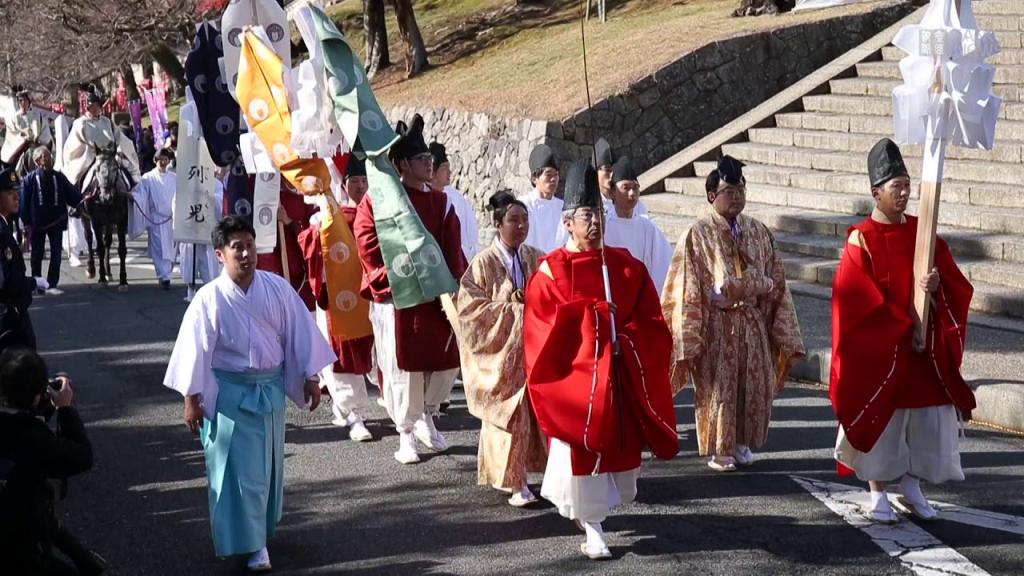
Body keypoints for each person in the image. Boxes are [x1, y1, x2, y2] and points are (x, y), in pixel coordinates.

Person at [524, 161, 678, 559]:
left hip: (620, 376)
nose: (595, 224)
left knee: (619, 466)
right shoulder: (551, 274)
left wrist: (626, 338)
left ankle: (597, 516)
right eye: (586, 216)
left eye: (598, 215)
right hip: (579, 385)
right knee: (583, 463)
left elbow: (652, 323)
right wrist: (592, 321)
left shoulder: (625, 266)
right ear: (568, 222)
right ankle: (593, 527)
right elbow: (543, 335)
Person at [163, 216, 335, 571]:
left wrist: (310, 376)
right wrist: (191, 400)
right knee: (236, 473)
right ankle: (253, 545)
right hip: (228, 396)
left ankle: (258, 535)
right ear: (220, 254)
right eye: (237, 247)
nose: (246, 254)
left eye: (250, 245)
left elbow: (299, 334)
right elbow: (195, 351)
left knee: (264, 472)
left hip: (268, 391)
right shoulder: (208, 299)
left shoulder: (276, 288)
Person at [830, 138, 975, 523]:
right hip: (885, 349)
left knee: (922, 417)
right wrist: (900, 327)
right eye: (897, 187)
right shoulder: (861, 239)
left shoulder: (923, 231)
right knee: (885, 418)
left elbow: (955, 284)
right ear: (875, 192)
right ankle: (877, 489)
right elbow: (856, 300)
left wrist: (937, 286)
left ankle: (911, 484)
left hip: (922, 350)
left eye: (908, 185)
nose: (905, 193)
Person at [661, 156, 804, 472]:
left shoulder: (758, 230)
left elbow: (775, 278)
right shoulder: (697, 233)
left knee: (751, 385)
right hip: (717, 323)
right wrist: (694, 328)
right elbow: (686, 284)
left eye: (740, 189)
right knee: (720, 387)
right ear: (712, 195)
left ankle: (742, 442)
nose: (736, 196)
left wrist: (757, 293)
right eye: (728, 190)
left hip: (751, 321)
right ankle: (719, 447)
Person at [354, 115, 466, 464]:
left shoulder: (441, 201)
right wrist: (399, 276)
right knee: (404, 366)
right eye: (421, 160)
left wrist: (450, 283)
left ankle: (428, 416)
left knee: (444, 359)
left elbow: (452, 246)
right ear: (402, 164)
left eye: (430, 159)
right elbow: (367, 242)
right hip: (398, 296)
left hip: (435, 296)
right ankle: (405, 432)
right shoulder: (378, 201)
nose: (428, 163)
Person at [457, 190, 547, 507]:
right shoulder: (482, 264)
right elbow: (469, 311)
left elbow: (553, 292)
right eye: (513, 220)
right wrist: (512, 308)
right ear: (498, 224)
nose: (521, 225)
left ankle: (527, 474)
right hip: (501, 355)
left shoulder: (536, 257)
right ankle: (515, 482)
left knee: (535, 416)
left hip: (533, 349)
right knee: (509, 416)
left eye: (525, 219)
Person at [0, 349, 102, 576]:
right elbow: (81, 456)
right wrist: (65, 408)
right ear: (37, 397)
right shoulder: (29, 439)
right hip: (20, 549)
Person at [299, 157, 374, 442]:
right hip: (339, 294)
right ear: (343, 186)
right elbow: (310, 249)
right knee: (342, 353)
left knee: (373, 352)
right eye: (354, 181)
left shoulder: (374, 213)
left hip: (370, 293)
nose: (359, 186)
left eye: (363, 181)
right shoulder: (327, 217)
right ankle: (355, 413)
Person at [603, 156, 671, 295]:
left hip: (641, 296)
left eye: (635, 188)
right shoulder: (603, 226)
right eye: (626, 188)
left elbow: (663, 265)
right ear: (612, 192)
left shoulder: (647, 227)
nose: (632, 193)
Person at [19, 147, 83, 295]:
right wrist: (26, 223)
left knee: (56, 254)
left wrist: (81, 200)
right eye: (46, 157)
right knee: (37, 255)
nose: (49, 159)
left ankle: (52, 283)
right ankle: (37, 282)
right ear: (37, 161)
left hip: (56, 222)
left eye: (50, 156)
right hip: (37, 225)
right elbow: (23, 204)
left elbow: (71, 193)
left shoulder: (59, 177)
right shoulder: (29, 180)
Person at [62, 92, 142, 191]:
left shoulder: (107, 121)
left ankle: (137, 192)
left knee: (130, 170)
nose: (95, 109)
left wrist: (117, 147)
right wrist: (95, 148)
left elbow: (118, 136)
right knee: (77, 176)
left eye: (97, 106)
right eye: (92, 106)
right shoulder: (80, 123)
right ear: (88, 107)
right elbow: (77, 141)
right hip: (91, 156)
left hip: (111, 154)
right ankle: (77, 199)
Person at [0, 169, 43, 352]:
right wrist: (33, 282)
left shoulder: (4, 225)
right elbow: (6, 281)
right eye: (10, 193)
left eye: (16, 192)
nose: (17, 197)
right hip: (7, 317)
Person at [132, 148, 177, 289]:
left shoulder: (174, 177)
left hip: (171, 218)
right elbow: (140, 193)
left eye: (165, 160)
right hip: (156, 219)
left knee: (171, 248)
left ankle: (167, 273)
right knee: (159, 249)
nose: (163, 162)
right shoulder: (148, 177)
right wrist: (132, 196)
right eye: (160, 160)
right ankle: (164, 277)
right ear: (155, 161)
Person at [429, 141, 479, 262]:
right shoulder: (429, 199)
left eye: (449, 168)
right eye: (444, 168)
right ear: (433, 173)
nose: (449, 172)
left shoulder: (455, 197)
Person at [179, 165, 225, 292]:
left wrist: (208, 197)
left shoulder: (217, 184)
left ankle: (213, 286)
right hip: (192, 227)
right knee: (191, 258)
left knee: (210, 260)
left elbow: (221, 202)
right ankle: (190, 288)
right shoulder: (188, 184)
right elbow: (177, 201)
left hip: (210, 227)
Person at [520, 144, 566, 254]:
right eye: (549, 175)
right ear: (535, 178)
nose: (554, 179)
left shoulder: (563, 207)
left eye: (556, 175)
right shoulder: (524, 205)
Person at [1, 90, 53, 176]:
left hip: (37, 144)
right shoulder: (13, 118)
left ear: (29, 101)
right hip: (19, 147)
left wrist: (38, 139)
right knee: (26, 155)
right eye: (20, 101)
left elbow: (45, 130)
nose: (22, 103)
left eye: (24, 100)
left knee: (40, 155)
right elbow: (12, 134)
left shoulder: (38, 115)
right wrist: (23, 138)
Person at [594, 138, 647, 218]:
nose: (612, 175)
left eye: (615, 169)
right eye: (607, 170)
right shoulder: (591, 204)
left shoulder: (636, 204)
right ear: (596, 172)